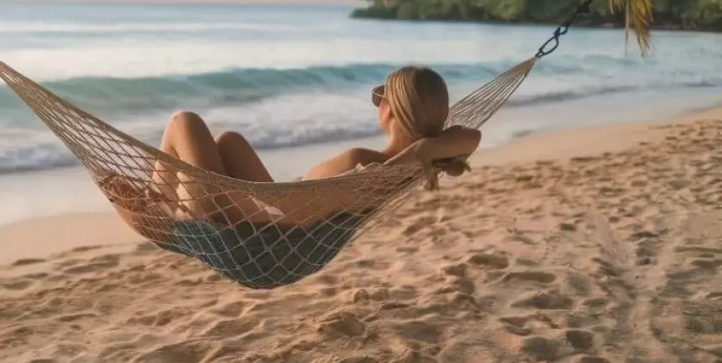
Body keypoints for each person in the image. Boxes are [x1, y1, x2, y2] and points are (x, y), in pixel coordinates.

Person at [102, 65, 482, 231]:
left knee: (184, 121)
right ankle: (159, 204)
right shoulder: (399, 165)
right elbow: (472, 137)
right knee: (229, 142)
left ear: (391, 110)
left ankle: (157, 210)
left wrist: (420, 152)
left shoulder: (364, 163)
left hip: (236, 228)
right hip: (256, 218)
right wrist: (423, 149)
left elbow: (287, 209)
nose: (376, 101)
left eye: (379, 95)